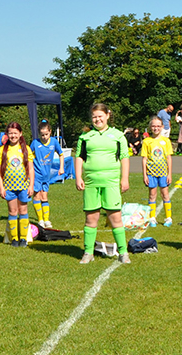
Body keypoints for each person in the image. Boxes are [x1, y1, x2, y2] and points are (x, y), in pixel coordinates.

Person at [75, 103, 132, 264]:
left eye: (100, 116)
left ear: (107, 115)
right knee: (91, 218)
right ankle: (88, 252)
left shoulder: (118, 135)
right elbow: (79, 157)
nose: (97, 119)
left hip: (111, 182)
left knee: (115, 218)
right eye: (94, 117)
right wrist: (78, 177)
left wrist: (124, 178)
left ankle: (123, 252)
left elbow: (124, 157)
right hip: (91, 183)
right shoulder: (85, 137)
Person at [0, 122, 35, 247]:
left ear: (20, 134)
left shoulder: (26, 149)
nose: (13, 136)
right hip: (9, 187)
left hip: (23, 186)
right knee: (13, 211)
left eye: (15, 133)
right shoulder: (3, 150)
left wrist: (31, 186)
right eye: (10, 133)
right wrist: (1, 187)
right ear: (7, 134)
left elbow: (31, 169)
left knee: (23, 210)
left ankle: (23, 238)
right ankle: (14, 238)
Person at [141, 117, 173, 227]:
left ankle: (168, 217)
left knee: (165, 194)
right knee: (152, 195)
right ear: (150, 127)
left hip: (163, 173)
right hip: (151, 173)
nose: (156, 128)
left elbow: (169, 158)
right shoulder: (146, 141)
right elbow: (144, 159)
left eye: (158, 126)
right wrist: (145, 175)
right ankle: (152, 218)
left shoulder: (166, 141)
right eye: (154, 126)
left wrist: (169, 174)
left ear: (162, 127)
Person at [31, 122, 63, 228]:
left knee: (44, 196)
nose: (44, 137)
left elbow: (61, 154)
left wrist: (61, 167)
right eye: (42, 135)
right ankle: (40, 219)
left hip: (46, 175)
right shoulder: (35, 143)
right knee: (37, 195)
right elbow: (28, 156)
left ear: (50, 132)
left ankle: (46, 220)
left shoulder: (54, 142)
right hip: (36, 174)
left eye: (46, 134)